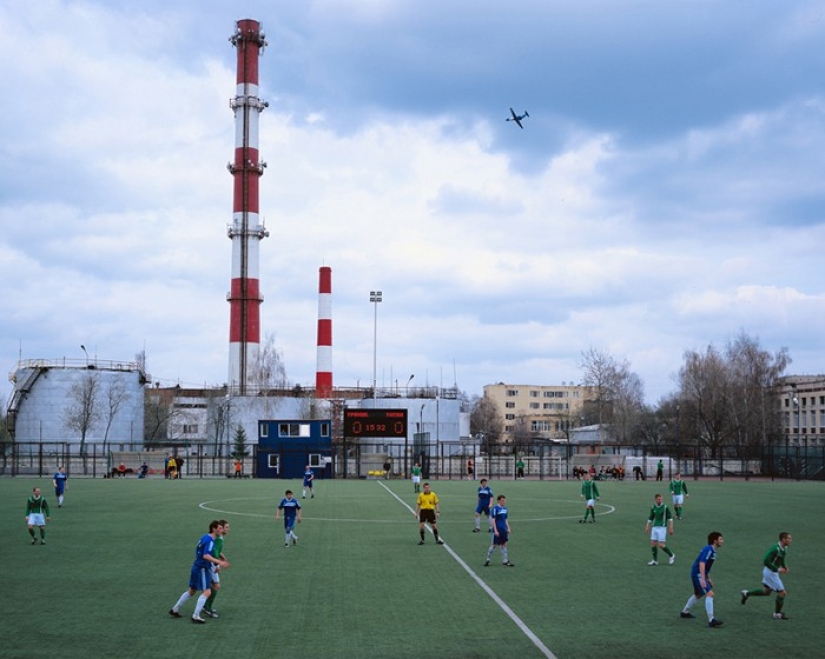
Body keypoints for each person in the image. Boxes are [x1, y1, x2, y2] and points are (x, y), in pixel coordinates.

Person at [169, 520, 229, 624]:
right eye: (219, 528)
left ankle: (175, 609)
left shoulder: (204, 537)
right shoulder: (210, 541)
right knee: (207, 592)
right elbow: (206, 555)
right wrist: (219, 562)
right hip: (202, 568)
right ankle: (196, 615)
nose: (221, 530)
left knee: (191, 591)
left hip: (196, 566)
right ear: (214, 529)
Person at [740, 532, 793, 620]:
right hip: (770, 572)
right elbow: (765, 560)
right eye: (789, 538)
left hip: (772, 572)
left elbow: (781, 558)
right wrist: (777, 569)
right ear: (783, 539)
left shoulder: (785, 548)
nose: (791, 540)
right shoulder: (775, 549)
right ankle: (777, 614)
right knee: (782, 592)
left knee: (767, 592)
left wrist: (784, 566)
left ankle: (746, 594)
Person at [680, 531, 724, 627]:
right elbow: (702, 563)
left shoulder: (712, 550)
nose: (722, 541)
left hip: (698, 573)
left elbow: (706, 567)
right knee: (710, 594)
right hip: (698, 574)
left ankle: (685, 612)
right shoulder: (709, 549)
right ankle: (711, 620)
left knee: (699, 594)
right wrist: (703, 580)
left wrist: (708, 578)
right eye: (720, 539)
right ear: (715, 540)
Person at [203, 519, 230, 618]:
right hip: (212, 564)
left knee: (213, 585)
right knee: (216, 586)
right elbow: (214, 551)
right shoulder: (219, 538)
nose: (228, 529)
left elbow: (215, 549)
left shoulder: (219, 537)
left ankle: (206, 605)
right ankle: (207, 607)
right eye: (226, 527)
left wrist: (221, 555)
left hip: (211, 562)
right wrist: (217, 564)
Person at [645, 493, 675, 565]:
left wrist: (671, 528)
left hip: (662, 528)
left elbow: (670, 519)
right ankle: (655, 560)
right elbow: (651, 517)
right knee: (653, 543)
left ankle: (671, 555)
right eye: (659, 499)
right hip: (654, 527)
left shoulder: (665, 507)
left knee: (661, 545)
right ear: (655, 499)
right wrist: (647, 526)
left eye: (661, 499)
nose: (660, 500)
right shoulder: (653, 507)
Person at [485, 495, 514, 567]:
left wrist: (508, 527)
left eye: (504, 500)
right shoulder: (495, 509)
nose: (504, 502)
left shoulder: (505, 509)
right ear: (498, 501)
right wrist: (495, 530)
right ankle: (488, 559)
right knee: (494, 545)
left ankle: (505, 561)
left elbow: (505, 519)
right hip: (498, 529)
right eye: (502, 500)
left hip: (504, 530)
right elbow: (493, 520)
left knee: (504, 544)